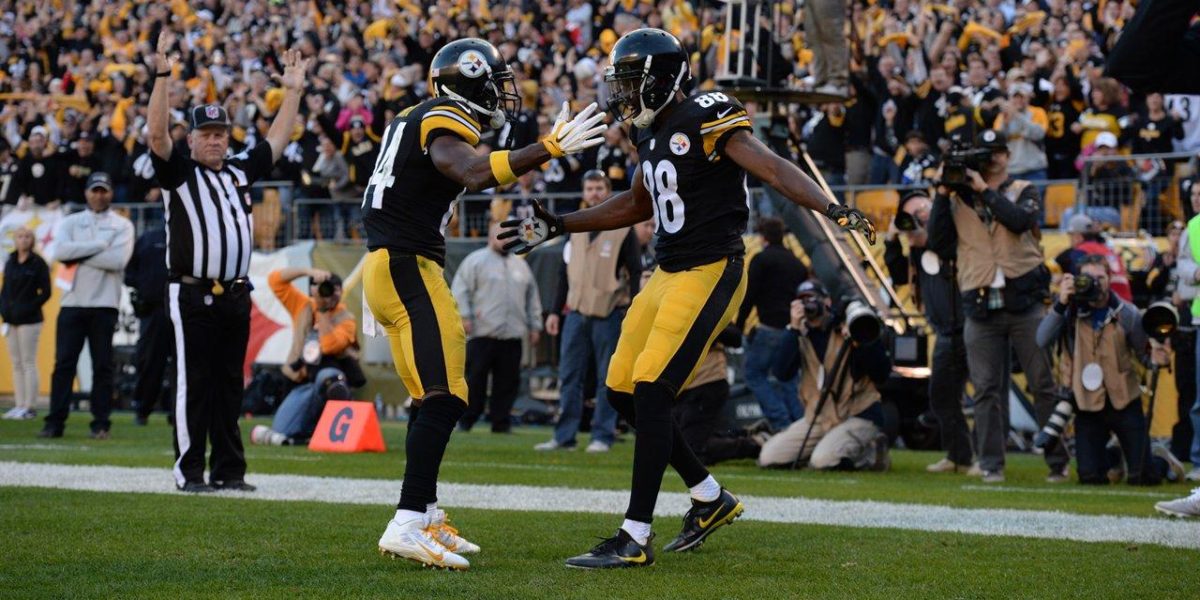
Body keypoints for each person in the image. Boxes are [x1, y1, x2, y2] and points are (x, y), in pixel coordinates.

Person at [499, 28, 875, 569]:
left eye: (632, 81)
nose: (623, 94)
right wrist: (562, 223)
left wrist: (831, 207)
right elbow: (635, 203)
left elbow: (769, 165)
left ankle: (634, 536)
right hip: (667, 272)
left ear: (664, 79)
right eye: (620, 82)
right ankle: (707, 496)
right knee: (623, 393)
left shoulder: (706, 114)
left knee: (653, 390)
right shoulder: (646, 132)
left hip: (712, 267)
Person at [363, 38, 605, 571]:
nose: (501, 94)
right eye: (494, 82)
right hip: (407, 266)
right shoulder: (443, 116)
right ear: (468, 83)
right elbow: (471, 171)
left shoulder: (411, 115)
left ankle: (423, 515)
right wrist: (548, 148)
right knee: (449, 396)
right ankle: (406, 520)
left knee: (431, 399)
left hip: (388, 266)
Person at [146, 31, 307, 493]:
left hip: (235, 292)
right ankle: (190, 472)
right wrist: (161, 78)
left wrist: (292, 92)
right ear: (192, 140)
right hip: (192, 291)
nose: (215, 142)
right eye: (207, 135)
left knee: (229, 387)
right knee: (192, 385)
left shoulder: (238, 170)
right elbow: (157, 136)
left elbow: (275, 141)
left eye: (220, 135)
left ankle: (230, 471)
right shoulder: (179, 173)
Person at [926, 128, 1068, 484]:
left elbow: (1019, 222)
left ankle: (1057, 461)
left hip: (1024, 302)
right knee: (986, 388)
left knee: (1041, 382)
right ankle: (991, 464)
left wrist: (983, 189)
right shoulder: (957, 198)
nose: (990, 159)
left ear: (1007, 156)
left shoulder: (1024, 190)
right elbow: (939, 244)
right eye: (983, 153)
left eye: (995, 153)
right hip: (980, 303)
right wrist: (943, 195)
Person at [1036, 255, 1185, 485]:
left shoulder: (1127, 314)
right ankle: (1114, 457)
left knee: (1142, 478)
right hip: (1087, 402)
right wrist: (1061, 302)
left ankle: (1162, 461)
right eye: (1088, 277)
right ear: (1078, 280)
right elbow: (1041, 339)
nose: (1095, 283)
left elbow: (1145, 356)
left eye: (1100, 277)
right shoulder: (1071, 312)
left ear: (1110, 278)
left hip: (1124, 400)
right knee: (1090, 477)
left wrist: (1157, 358)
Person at [536, 170, 640, 452]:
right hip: (576, 312)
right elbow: (564, 273)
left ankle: (602, 435)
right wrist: (555, 311)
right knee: (569, 376)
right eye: (589, 188)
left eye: (598, 188)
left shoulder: (623, 227)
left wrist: (632, 309)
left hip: (608, 313)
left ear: (608, 191)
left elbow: (635, 270)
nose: (593, 193)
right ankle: (564, 436)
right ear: (583, 192)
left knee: (608, 377)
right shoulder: (575, 227)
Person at [757, 282, 893, 470]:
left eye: (813, 299)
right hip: (819, 417)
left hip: (857, 414)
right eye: (803, 301)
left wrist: (858, 340)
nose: (809, 305)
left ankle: (871, 452)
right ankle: (830, 448)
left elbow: (881, 373)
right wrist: (793, 330)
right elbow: (782, 374)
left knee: (823, 461)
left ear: (827, 301)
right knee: (769, 457)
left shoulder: (849, 325)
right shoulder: (800, 334)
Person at [38, 172, 133, 439]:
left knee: (102, 366)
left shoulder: (122, 225)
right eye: (95, 190)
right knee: (64, 365)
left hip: (105, 304)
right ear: (87, 193)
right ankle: (55, 422)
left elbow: (117, 261)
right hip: (73, 303)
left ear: (111, 193)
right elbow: (59, 253)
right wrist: (100, 245)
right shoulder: (71, 221)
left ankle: (101, 423)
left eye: (103, 190)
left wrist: (79, 252)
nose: (99, 195)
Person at [883, 191, 972, 473]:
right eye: (913, 214)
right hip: (945, 331)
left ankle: (989, 459)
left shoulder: (954, 228)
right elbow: (898, 276)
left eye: (922, 209)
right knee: (942, 395)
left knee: (985, 393)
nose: (919, 218)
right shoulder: (916, 250)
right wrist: (891, 239)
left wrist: (924, 237)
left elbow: (948, 247)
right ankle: (959, 456)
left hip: (973, 325)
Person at [452, 222, 543, 434]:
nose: (505, 240)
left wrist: (535, 325)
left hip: (512, 335)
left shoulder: (520, 266)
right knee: (475, 381)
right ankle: (467, 420)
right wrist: (465, 316)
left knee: (508, 382)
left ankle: (500, 422)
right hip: (482, 333)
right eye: (500, 236)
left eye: (509, 236)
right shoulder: (475, 261)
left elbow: (532, 299)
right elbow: (460, 290)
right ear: (490, 237)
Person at [736, 217, 808, 432]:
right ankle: (801, 428)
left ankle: (781, 423)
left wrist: (739, 326)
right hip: (792, 331)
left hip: (768, 329)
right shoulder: (797, 264)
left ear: (763, 237)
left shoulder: (761, 260)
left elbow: (749, 295)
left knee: (754, 375)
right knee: (788, 380)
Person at [673, 324, 762, 466]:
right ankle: (745, 435)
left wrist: (708, 324)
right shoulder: (664, 307)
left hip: (706, 380)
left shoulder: (705, 308)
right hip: (679, 386)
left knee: (691, 452)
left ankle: (753, 445)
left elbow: (735, 337)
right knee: (671, 446)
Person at [269, 267, 365, 388]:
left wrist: (322, 309)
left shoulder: (347, 319)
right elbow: (275, 281)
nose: (329, 295)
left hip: (327, 382)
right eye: (324, 290)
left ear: (341, 291)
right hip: (296, 376)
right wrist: (308, 272)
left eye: (334, 290)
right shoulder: (304, 305)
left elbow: (329, 347)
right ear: (315, 291)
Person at [124, 225, 173, 426]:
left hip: (185, 308)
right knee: (150, 360)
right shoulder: (148, 238)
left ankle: (178, 410)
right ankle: (142, 408)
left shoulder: (192, 234)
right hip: (154, 309)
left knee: (185, 362)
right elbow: (130, 272)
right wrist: (143, 289)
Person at [0, 227, 50, 420]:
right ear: (15, 240)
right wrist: (4, 309)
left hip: (30, 320)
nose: (23, 240)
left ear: (33, 240)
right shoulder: (11, 261)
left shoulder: (38, 263)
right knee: (16, 363)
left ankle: (30, 405)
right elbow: (6, 289)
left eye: (27, 236)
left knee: (28, 361)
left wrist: (28, 307)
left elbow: (46, 292)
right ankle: (19, 404)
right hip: (11, 319)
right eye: (20, 236)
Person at [1173, 181, 1200, 482]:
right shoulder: (1193, 226)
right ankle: (1198, 461)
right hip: (1198, 320)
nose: (1195, 200)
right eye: (1193, 195)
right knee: (1198, 399)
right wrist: (1196, 273)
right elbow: (1183, 270)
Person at [1054, 214, 1133, 302]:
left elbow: (1080, 282)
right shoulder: (1107, 249)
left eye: (1071, 236)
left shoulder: (1080, 251)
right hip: (1126, 301)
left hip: (1106, 302)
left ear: (1077, 236)